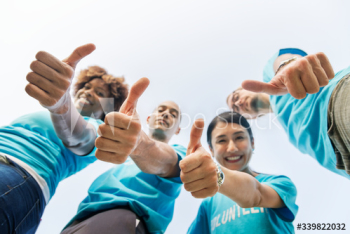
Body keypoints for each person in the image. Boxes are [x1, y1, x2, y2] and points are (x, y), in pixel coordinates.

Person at [0, 44, 128, 234]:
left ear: (108, 108)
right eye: (86, 86)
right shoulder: (46, 114)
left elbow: (81, 138)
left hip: (18, 172)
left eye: (100, 93)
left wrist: (62, 105)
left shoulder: (98, 129)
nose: (87, 92)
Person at [60, 84, 186, 234]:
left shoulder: (180, 154)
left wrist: (141, 146)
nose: (165, 114)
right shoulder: (123, 154)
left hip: (123, 219)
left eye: (173, 114)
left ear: (178, 129)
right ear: (148, 119)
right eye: (161, 110)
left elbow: (168, 162)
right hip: (81, 219)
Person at [227, 48, 350, 179]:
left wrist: (287, 65)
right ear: (251, 118)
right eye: (236, 109)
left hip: (336, 103)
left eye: (236, 97)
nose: (238, 103)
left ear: (243, 89)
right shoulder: (290, 134)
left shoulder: (271, 75)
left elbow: (285, 59)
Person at [180, 112, 298, 233]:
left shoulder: (281, 184)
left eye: (239, 137)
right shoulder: (208, 204)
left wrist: (218, 175)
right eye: (221, 140)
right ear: (211, 150)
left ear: (252, 142)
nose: (232, 148)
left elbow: (257, 194)